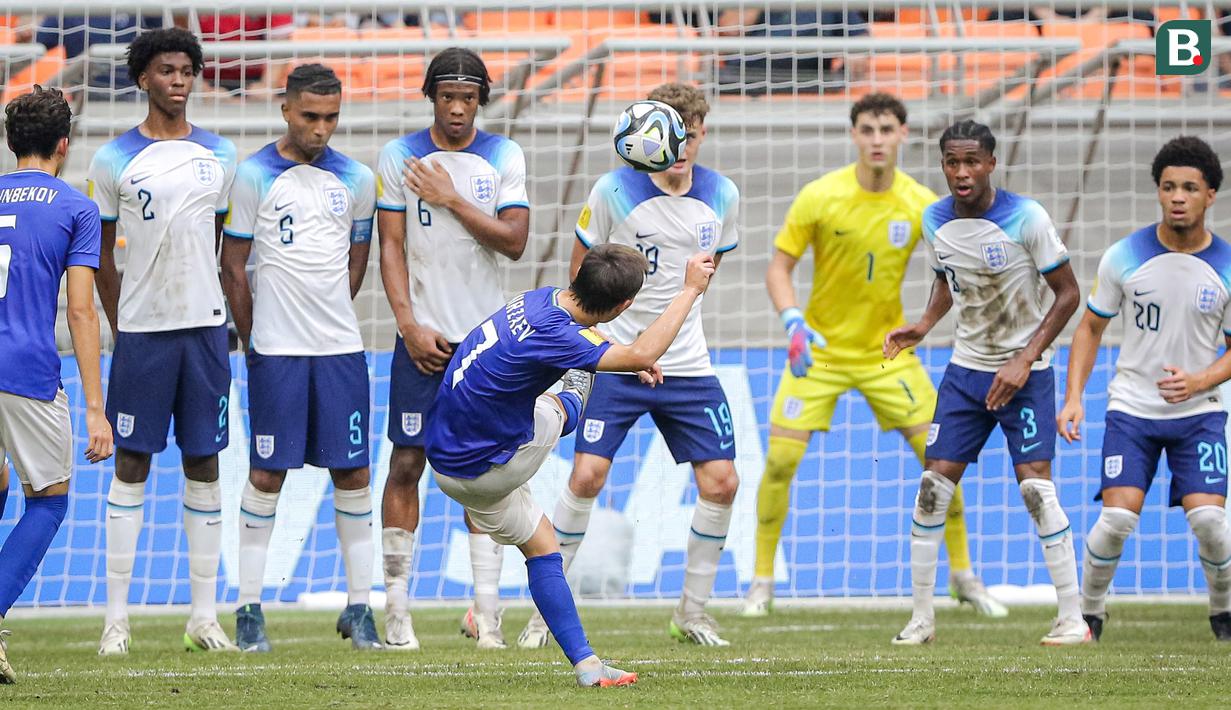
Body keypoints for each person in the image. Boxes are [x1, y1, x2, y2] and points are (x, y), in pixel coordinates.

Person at [742, 93, 1005, 619]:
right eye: (868, 129)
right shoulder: (821, 196)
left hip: (889, 355)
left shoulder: (922, 206)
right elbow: (778, 268)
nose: (877, 138)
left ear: (903, 133)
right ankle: (761, 583)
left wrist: (929, 323)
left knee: (941, 464)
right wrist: (792, 321)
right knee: (778, 465)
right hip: (820, 353)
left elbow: (950, 276)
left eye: (887, 128)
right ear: (855, 134)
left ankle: (964, 578)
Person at [428, 244, 717, 686]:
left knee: (545, 547)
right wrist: (690, 290)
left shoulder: (538, 298)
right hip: (487, 469)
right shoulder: (562, 337)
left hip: (447, 456)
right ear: (623, 305)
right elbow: (637, 354)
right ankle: (513, 627)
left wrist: (621, 357)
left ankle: (587, 665)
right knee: (564, 403)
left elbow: (591, 340)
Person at [519, 82, 740, 648]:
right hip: (616, 359)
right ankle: (545, 614)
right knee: (586, 476)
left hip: (686, 362)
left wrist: (663, 345)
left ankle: (691, 613)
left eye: (692, 134)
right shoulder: (614, 191)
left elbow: (703, 280)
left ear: (702, 133)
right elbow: (580, 283)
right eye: (674, 135)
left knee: (722, 483)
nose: (684, 146)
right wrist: (624, 352)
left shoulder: (723, 195)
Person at [883, 120, 1086, 646]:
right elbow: (946, 278)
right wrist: (924, 324)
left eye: (972, 161)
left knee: (1037, 490)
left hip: (1026, 374)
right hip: (966, 371)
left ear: (992, 163)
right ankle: (922, 619)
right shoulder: (934, 218)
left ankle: (1072, 618)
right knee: (932, 489)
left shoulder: (1027, 218)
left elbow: (1067, 295)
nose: (962, 172)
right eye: (952, 162)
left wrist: (1023, 359)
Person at [88, 28, 239, 654]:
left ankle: (203, 617)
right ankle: (115, 621)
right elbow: (99, 252)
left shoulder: (222, 155)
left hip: (205, 331)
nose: (178, 81)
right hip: (143, 334)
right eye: (166, 70)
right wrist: (122, 320)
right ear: (143, 78)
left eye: (186, 71)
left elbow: (225, 245)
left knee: (204, 465)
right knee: (132, 464)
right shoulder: (113, 159)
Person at [220, 64, 379, 652]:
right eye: (310, 116)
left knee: (355, 473)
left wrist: (330, 307)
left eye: (332, 118)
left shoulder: (358, 179)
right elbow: (233, 266)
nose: (321, 129)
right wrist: (254, 337)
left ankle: (360, 608)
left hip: (340, 349)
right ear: (286, 110)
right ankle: (249, 608)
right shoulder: (254, 174)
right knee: (267, 474)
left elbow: (356, 259)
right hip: (277, 351)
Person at [376, 46, 530, 650]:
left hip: (486, 345)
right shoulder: (401, 156)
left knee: (486, 475)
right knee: (407, 464)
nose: (458, 109)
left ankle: (486, 615)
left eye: (469, 98)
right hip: (423, 339)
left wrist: (452, 200)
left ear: (481, 100)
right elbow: (391, 247)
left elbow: (515, 242)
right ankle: (396, 612)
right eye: (448, 97)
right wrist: (409, 325)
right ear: (431, 97)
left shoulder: (503, 156)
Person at [1058, 136, 1231, 642]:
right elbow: (1090, 328)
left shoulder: (1225, 265)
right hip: (1132, 409)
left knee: (1211, 525)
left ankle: (1222, 612)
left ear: (1210, 195)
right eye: (1169, 186)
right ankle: (1089, 616)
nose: (1178, 196)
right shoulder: (1124, 255)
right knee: (1115, 520)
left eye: (1190, 188)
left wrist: (1200, 380)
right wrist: (1073, 398)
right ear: (1158, 192)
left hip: (1200, 413)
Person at [0, 86, 114, 684]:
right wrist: (95, 408)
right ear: (64, 146)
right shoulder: (76, 207)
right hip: (24, 370)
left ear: (9, 141)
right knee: (48, 498)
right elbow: (80, 312)